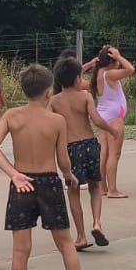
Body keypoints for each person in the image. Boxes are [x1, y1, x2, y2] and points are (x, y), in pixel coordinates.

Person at [0, 64, 97, 270]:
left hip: (22, 183)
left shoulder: (12, 116)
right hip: (49, 183)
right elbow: (63, 159)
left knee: (20, 250)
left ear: (24, 90)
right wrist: (69, 175)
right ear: (48, 92)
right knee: (65, 243)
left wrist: (13, 173)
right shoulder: (57, 121)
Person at [50, 56, 110, 250]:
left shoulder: (54, 101)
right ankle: (97, 223)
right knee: (95, 186)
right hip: (90, 144)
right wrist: (112, 130)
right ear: (77, 79)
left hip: (69, 148)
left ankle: (81, 236)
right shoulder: (85, 96)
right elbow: (97, 120)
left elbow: (48, 124)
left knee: (73, 191)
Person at [91, 44, 135, 198]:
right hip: (113, 118)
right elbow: (130, 69)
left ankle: (103, 187)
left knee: (104, 152)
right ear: (111, 61)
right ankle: (112, 189)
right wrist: (119, 56)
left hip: (103, 116)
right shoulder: (109, 74)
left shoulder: (100, 73)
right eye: (115, 60)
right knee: (114, 154)